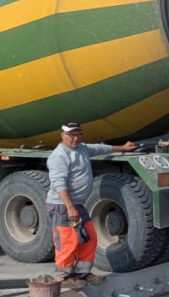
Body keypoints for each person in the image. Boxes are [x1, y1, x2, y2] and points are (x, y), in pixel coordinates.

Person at [47, 122, 137, 288]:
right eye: (71, 135)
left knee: (89, 237)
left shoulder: (82, 148)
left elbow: (100, 148)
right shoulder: (59, 156)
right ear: (62, 135)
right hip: (62, 205)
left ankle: (83, 273)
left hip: (77, 204)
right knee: (67, 241)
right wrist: (70, 207)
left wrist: (122, 147)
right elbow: (59, 183)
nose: (75, 138)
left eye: (78, 134)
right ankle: (63, 277)